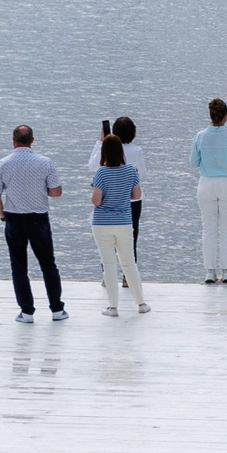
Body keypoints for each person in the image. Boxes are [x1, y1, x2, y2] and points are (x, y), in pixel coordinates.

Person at [0, 124, 66, 323]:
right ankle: (57, 309)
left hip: (13, 219)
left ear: (13, 141)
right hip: (38, 219)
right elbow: (56, 192)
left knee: (19, 266)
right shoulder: (45, 162)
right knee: (48, 265)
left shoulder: (2, 164)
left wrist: (3, 216)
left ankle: (27, 312)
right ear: (32, 140)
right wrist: (43, 191)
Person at [89, 135, 149, 316]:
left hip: (102, 224)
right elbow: (136, 195)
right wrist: (122, 198)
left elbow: (96, 201)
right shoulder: (130, 171)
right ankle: (141, 303)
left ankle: (113, 307)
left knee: (108, 264)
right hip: (124, 222)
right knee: (129, 263)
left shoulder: (101, 173)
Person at [191, 98, 227, 285]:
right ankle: (226, 272)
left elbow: (193, 162)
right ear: (225, 117)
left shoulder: (199, 136)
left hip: (206, 183)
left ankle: (209, 271)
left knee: (208, 228)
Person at [87, 115, 146, 246]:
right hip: (132, 200)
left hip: (109, 198)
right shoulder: (137, 151)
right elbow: (142, 174)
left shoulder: (107, 148)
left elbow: (92, 166)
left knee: (107, 244)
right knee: (131, 242)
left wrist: (100, 142)